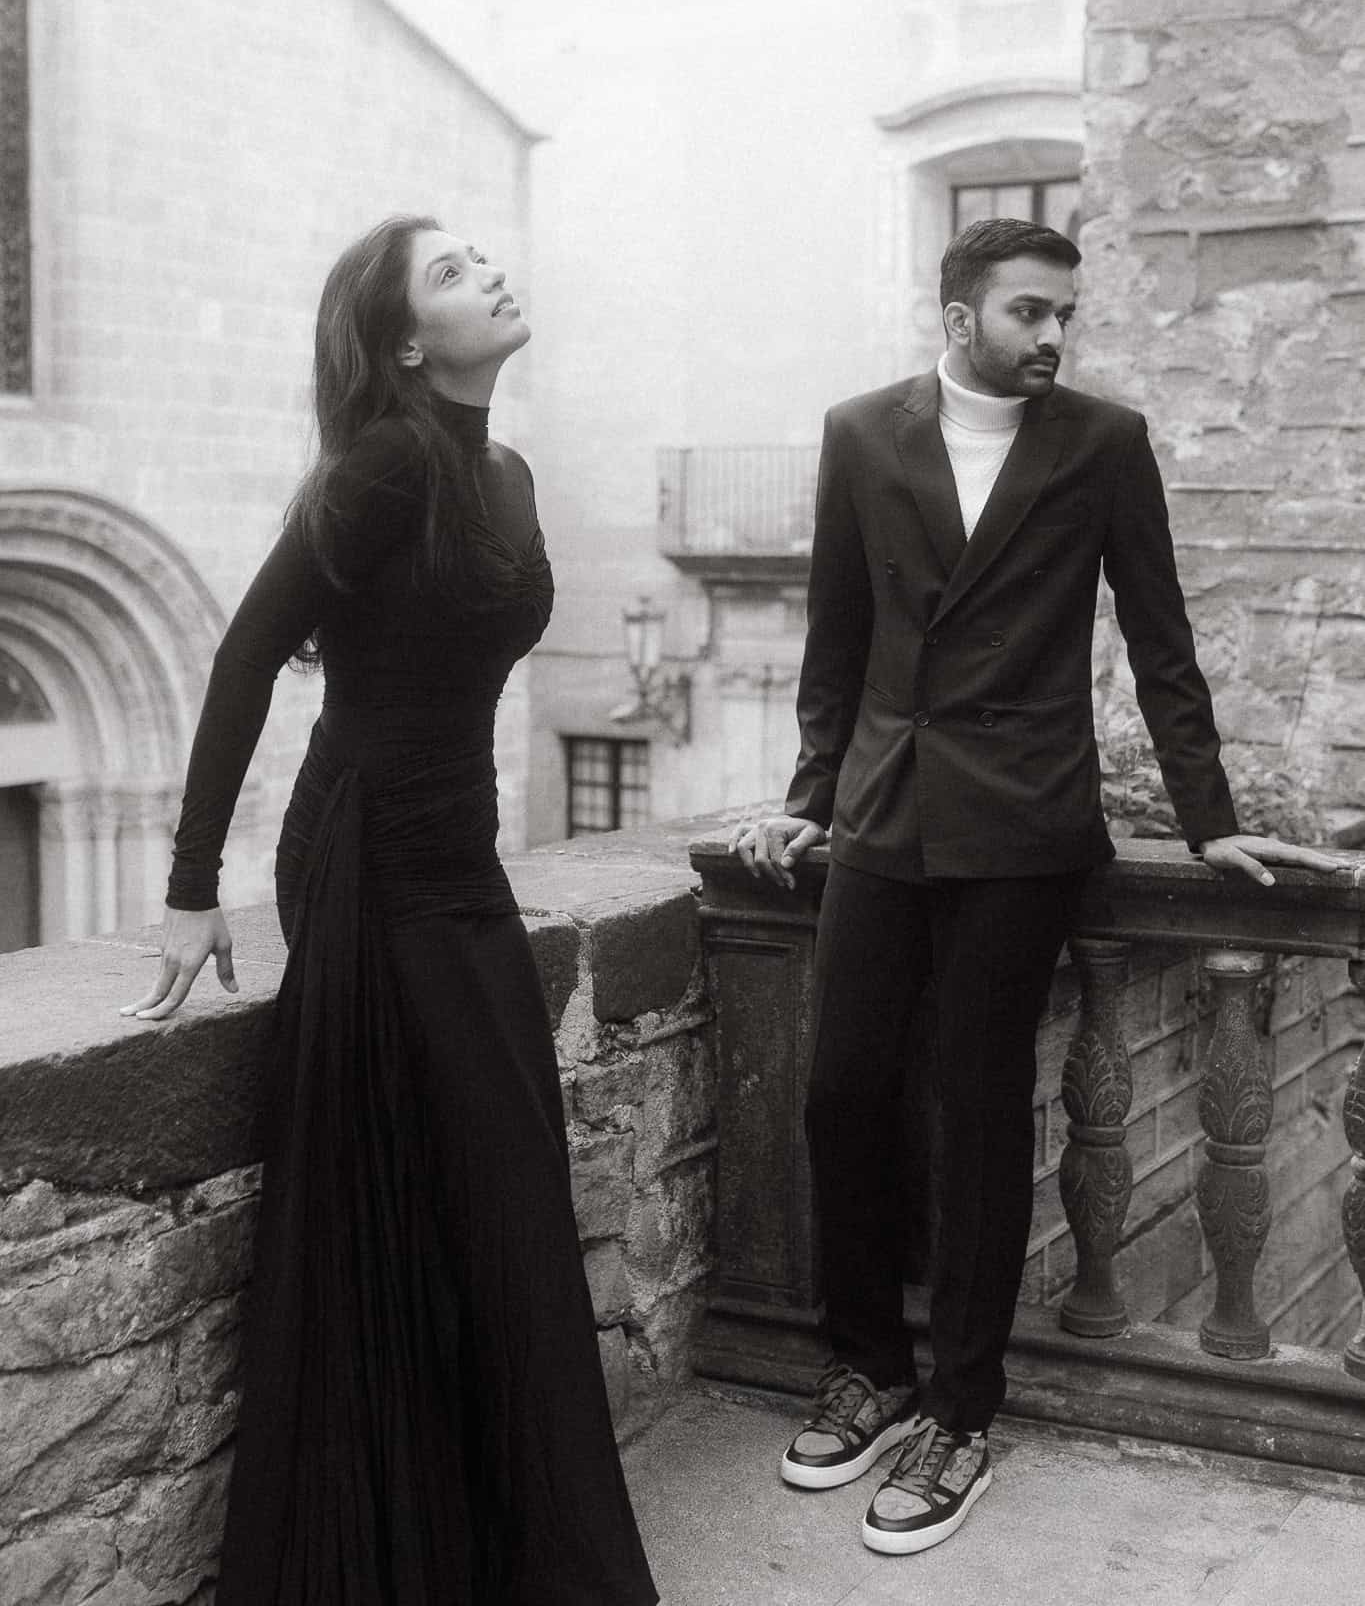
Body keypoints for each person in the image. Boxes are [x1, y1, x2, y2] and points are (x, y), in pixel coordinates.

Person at [731, 216, 1336, 1559]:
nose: (1053, 335)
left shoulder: (1100, 443)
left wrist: (1209, 822)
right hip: (883, 816)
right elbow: (837, 630)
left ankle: (961, 1409)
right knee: (841, 1092)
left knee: (971, 1110)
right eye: (1027, 313)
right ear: (959, 317)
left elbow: (1159, 637)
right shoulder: (859, 433)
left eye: (1064, 314)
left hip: (1020, 823)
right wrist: (805, 794)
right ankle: (867, 1367)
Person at [121, 214, 657, 1606]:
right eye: (447, 270)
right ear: (407, 341)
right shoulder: (387, 460)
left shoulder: (513, 474)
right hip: (362, 850)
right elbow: (245, 657)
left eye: (479, 252)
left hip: (460, 855)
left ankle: (487, 1549)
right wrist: (190, 894)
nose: (485, 269)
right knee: (435, 1182)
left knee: (494, 1184)